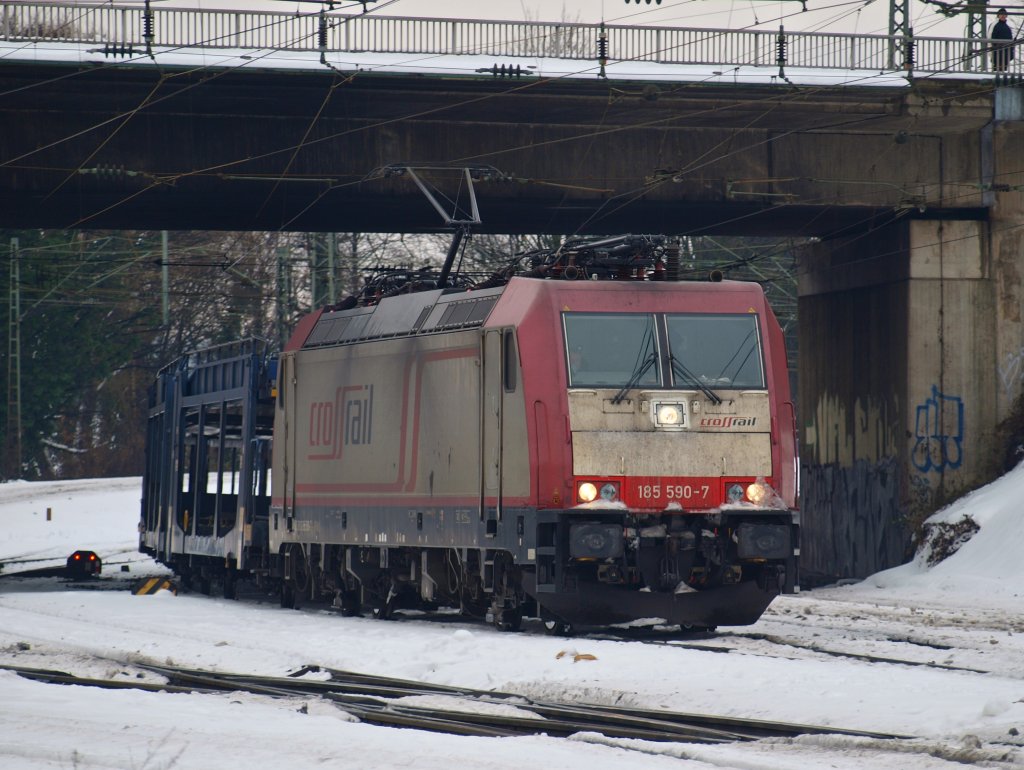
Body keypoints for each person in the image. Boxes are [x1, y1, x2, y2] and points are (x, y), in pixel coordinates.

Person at [993, 8, 1015, 72]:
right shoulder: (995, 25)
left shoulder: (1007, 27)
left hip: (1006, 52)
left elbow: (1010, 39)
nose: (1003, 16)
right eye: (1001, 14)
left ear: (1006, 16)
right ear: (998, 16)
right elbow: (992, 38)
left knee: (1003, 69)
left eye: (1004, 14)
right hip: (998, 52)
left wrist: (1011, 50)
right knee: (997, 69)